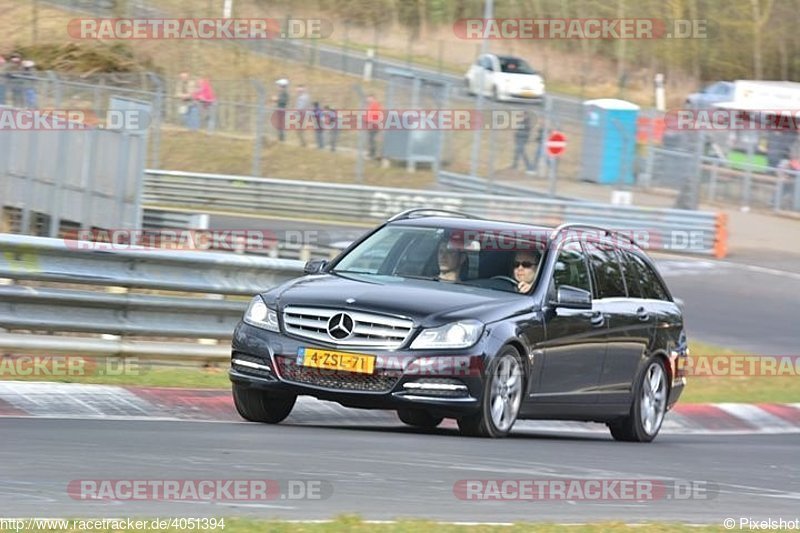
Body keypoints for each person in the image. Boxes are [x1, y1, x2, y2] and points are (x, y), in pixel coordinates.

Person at [366, 94, 383, 159]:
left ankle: (372, 154)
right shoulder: (371, 105)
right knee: (371, 139)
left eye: (369, 98)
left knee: (372, 139)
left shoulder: (375, 105)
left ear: (372, 98)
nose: (367, 100)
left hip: (374, 125)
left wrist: (372, 122)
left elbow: (376, 114)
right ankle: (371, 153)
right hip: (372, 124)